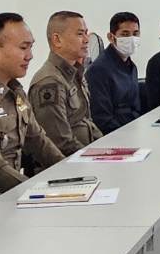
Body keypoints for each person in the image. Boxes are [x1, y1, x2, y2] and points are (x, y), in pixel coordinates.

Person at [0, 12, 64, 194]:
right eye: (23, 48)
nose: (30, 56)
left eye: (31, 47)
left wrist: (71, 171)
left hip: (16, 190)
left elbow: (39, 141)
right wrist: (38, 192)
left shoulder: (16, 91)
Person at [28, 11, 104, 155]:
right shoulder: (49, 83)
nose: (87, 40)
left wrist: (106, 149)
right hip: (70, 162)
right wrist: (94, 157)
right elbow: (60, 142)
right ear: (57, 40)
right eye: (80, 34)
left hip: (87, 153)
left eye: (86, 33)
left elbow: (87, 122)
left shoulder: (75, 73)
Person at [88, 11, 144, 133]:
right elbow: (102, 118)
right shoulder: (98, 70)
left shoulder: (131, 67)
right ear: (111, 37)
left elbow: (136, 107)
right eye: (125, 34)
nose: (131, 39)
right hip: (115, 135)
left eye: (135, 33)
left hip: (134, 129)